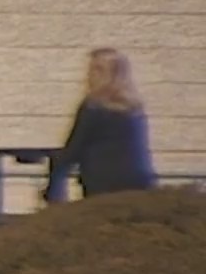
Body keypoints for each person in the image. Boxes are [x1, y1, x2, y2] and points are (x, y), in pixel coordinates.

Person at [44, 47, 158, 203]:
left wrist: (54, 182)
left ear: (105, 74)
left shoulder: (94, 106)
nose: (87, 76)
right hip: (139, 182)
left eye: (93, 70)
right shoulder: (135, 107)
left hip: (103, 184)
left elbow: (74, 149)